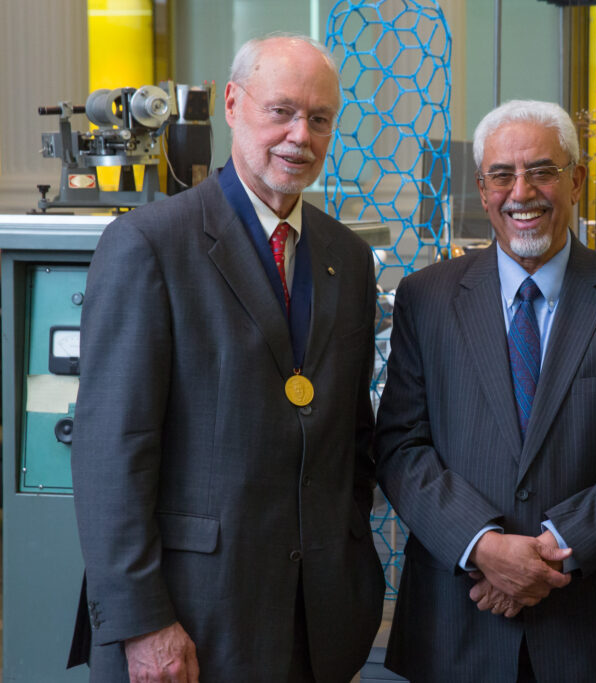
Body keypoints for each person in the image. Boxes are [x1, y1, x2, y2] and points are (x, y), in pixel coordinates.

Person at [69, 34, 384, 682]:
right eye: (282, 111)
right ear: (234, 104)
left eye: (319, 119)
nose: (301, 134)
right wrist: (143, 622)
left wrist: (346, 563)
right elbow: (111, 455)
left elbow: (351, 438)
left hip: (314, 623)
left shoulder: (347, 259)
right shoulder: (149, 245)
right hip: (187, 625)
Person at [374, 99, 596, 682]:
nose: (523, 192)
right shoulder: (426, 298)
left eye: (542, 171)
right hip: (457, 624)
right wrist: (484, 546)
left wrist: (552, 551)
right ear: (483, 188)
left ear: (577, 181)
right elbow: (399, 446)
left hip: (595, 629)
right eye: (502, 175)